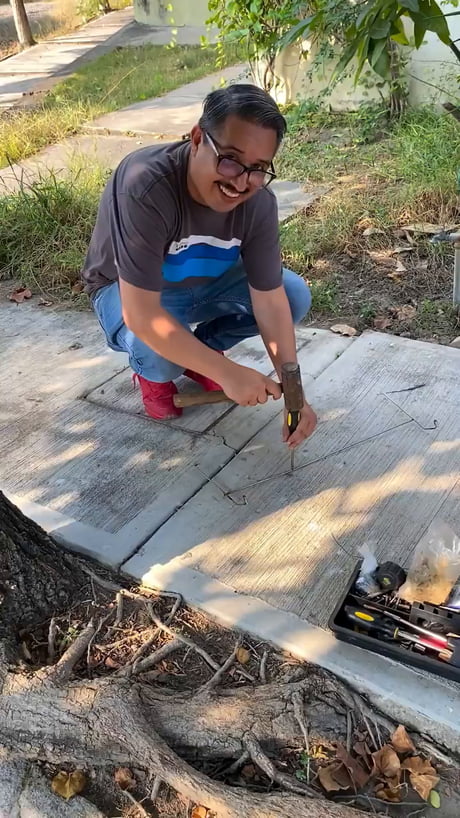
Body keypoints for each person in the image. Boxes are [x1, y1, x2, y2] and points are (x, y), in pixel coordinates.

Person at [82, 83, 317, 449]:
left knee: (293, 294)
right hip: (132, 292)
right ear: (196, 138)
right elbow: (142, 315)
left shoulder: (259, 203)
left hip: (204, 284)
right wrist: (227, 372)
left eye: (257, 168)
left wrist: (294, 393)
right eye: (230, 159)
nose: (240, 182)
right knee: (158, 354)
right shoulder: (144, 183)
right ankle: (155, 374)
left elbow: (270, 300)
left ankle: (197, 354)